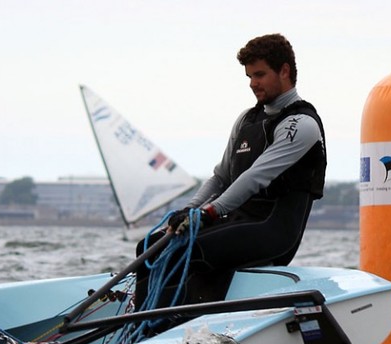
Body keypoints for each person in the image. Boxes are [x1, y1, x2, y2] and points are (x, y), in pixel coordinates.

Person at [134, 33, 326, 313]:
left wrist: (208, 213)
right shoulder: (247, 119)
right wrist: (188, 210)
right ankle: (138, 324)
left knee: (184, 252)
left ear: (284, 71)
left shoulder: (301, 124)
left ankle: (160, 329)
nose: (253, 84)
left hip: (273, 231)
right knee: (149, 245)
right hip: (236, 221)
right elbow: (221, 177)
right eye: (249, 76)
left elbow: (255, 177)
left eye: (259, 75)